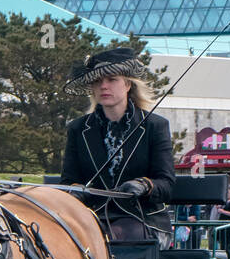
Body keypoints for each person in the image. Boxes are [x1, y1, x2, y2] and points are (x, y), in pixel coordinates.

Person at [61, 47, 175, 246]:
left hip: (144, 220)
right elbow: (69, 180)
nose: (104, 86)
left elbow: (166, 184)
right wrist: (75, 190)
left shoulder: (155, 126)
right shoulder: (78, 129)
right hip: (92, 219)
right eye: (97, 81)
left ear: (128, 84)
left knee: (112, 237)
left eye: (112, 79)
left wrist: (145, 185)